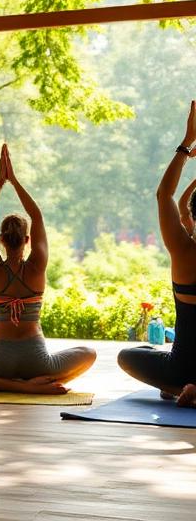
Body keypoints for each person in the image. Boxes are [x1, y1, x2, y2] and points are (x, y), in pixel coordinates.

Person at [0, 144, 96, 394]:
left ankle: (14, 386)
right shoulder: (37, 267)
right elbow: (37, 216)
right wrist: (14, 180)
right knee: (88, 353)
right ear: (27, 240)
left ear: (1, 240)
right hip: (38, 362)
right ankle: (31, 384)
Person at [118, 101, 196, 406]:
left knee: (129, 356)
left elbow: (166, 195)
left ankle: (180, 388)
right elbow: (179, 206)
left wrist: (186, 142)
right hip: (182, 368)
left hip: (180, 368)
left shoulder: (183, 251)